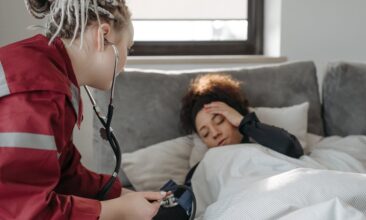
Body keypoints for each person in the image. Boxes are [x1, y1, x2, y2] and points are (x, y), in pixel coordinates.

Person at [0, 0, 166, 219]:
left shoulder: (49, 72)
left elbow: (66, 175)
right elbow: (26, 210)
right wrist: (118, 211)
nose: (126, 62)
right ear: (103, 35)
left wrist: (122, 194)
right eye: (129, 47)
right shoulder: (37, 92)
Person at [180, 73, 304, 185]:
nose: (214, 133)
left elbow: (292, 149)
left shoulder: (267, 143)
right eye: (205, 134)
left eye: (219, 121)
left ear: (235, 113)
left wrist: (243, 122)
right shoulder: (202, 170)